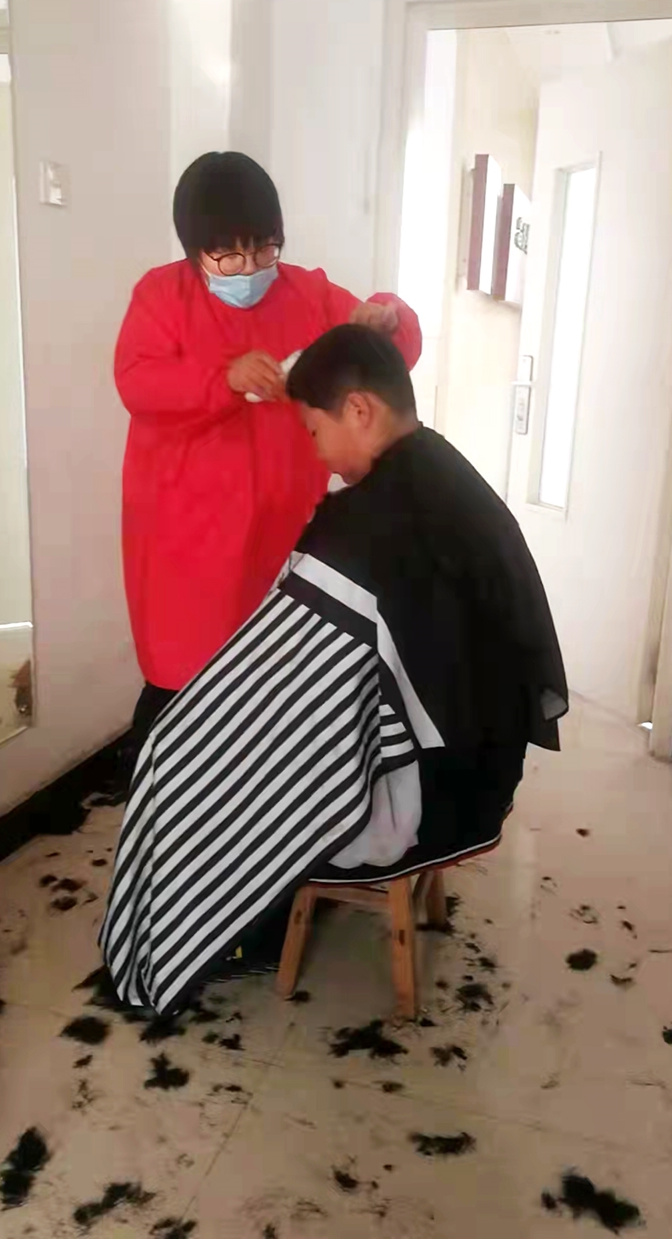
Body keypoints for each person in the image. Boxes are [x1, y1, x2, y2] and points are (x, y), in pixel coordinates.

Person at [102, 326, 567, 1016]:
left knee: (178, 764)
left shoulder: (365, 522)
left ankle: (196, 941)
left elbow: (290, 682)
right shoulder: (446, 469)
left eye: (314, 433)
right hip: (487, 763)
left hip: (437, 795)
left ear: (358, 410)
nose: (316, 453)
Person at [115, 152, 421, 752]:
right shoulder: (162, 296)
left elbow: (386, 347)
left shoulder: (306, 294)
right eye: (229, 256)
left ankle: (257, 799)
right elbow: (137, 382)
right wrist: (222, 380)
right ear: (193, 249)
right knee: (182, 689)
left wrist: (388, 319)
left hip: (285, 535)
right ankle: (163, 797)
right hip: (186, 543)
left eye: (263, 250)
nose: (250, 268)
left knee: (268, 688)